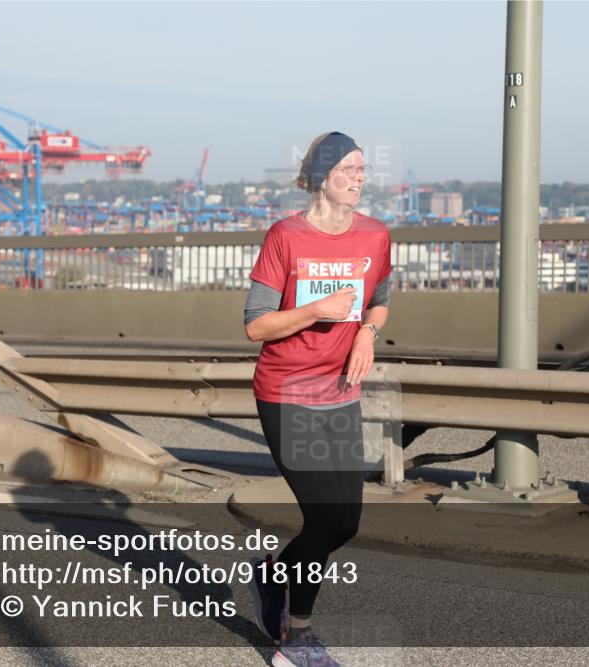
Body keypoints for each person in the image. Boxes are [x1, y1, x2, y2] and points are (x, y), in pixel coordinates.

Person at [244, 131, 391, 667]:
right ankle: (296, 639)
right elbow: (256, 325)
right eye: (349, 168)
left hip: (340, 393)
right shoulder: (286, 237)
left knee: (346, 523)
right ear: (321, 175)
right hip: (287, 392)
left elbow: (379, 299)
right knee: (324, 521)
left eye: (362, 168)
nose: (359, 176)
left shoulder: (375, 236)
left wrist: (367, 334)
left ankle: (272, 576)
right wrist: (316, 311)